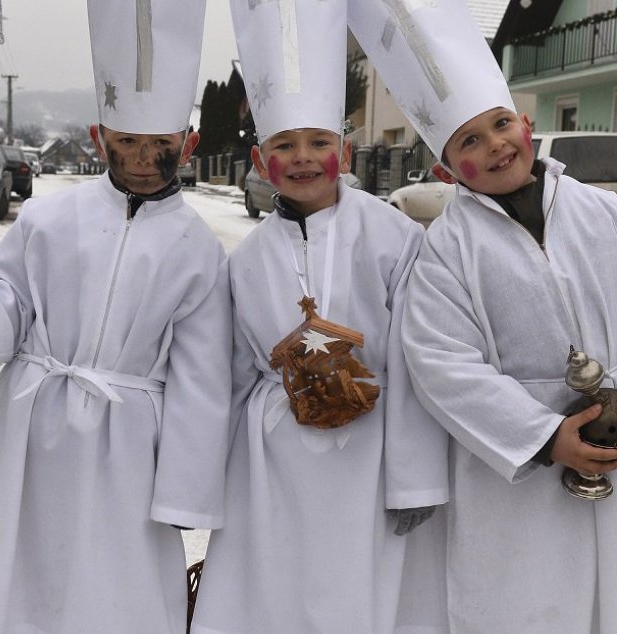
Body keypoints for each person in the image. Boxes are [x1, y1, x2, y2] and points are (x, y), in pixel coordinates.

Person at [349, 1, 617, 631]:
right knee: (520, 604)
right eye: (468, 141)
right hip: (512, 480)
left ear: (524, 120)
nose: (493, 147)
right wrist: (545, 438)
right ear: (442, 166)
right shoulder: (446, 250)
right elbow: (441, 362)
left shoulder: (602, 214)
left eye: (498, 126)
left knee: (613, 599)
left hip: (614, 455)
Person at [0, 1, 232, 631]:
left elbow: (202, 381)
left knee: (117, 588)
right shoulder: (48, 221)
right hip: (33, 433)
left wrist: (184, 491)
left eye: (159, 145)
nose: (144, 159)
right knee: (25, 570)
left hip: (129, 452)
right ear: (99, 138)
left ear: (188, 143)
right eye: (127, 143)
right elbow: (11, 311)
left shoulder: (200, 252)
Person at [189, 1, 449, 632]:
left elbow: (421, 359)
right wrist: (207, 481)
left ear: (346, 151)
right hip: (273, 466)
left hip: (373, 457)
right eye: (284, 144)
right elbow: (227, 376)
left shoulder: (394, 237)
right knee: (275, 596)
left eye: (317, 142)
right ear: (259, 162)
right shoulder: (245, 261)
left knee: (361, 599)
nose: (303, 158)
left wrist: (414, 479)